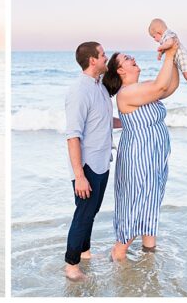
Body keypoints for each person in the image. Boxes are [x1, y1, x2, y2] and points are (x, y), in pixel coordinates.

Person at [102, 38, 179, 261]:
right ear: (120, 70)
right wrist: (171, 53)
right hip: (139, 158)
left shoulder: (142, 87)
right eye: (127, 58)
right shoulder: (126, 94)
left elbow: (170, 86)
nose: (132, 58)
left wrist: (169, 57)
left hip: (154, 156)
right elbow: (161, 86)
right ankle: (119, 252)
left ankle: (149, 255)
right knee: (137, 202)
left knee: (151, 201)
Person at [62, 41, 120, 280]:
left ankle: (84, 253)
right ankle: (71, 267)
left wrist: (133, 122)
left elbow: (105, 121)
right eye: (103, 54)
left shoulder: (100, 88)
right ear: (92, 60)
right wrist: (79, 176)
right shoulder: (79, 90)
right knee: (84, 214)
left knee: (91, 211)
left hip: (102, 161)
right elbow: (73, 135)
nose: (106, 58)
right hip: (86, 167)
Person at [149, 18, 187, 101]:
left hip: (184, 59)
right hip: (178, 60)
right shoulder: (165, 38)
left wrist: (161, 47)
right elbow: (167, 46)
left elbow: (170, 43)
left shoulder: (168, 34)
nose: (154, 39)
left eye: (154, 37)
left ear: (159, 32)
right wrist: (161, 53)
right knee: (186, 76)